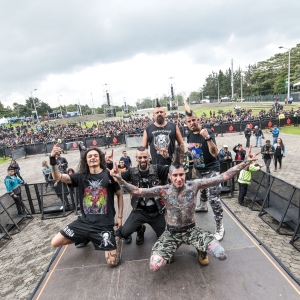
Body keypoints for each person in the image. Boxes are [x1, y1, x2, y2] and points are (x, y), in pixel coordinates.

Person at [108, 146, 259, 271]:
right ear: (169, 176)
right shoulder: (163, 190)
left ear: (185, 175)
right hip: (171, 232)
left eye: (181, 175)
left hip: (191, 230)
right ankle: (171, 250)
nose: (179, 178)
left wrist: (245, 162)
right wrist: (120, 179)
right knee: (154, 266)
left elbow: (223, 176)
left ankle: (201, 249)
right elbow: (137, 191)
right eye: (175, 175)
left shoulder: (194, 185)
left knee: (221, 255)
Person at [50, 145, 123, 267]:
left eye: (95, 155)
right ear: (86, 160)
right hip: (84, 222)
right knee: (54, 242)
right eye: (89, 156)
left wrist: (120, 217)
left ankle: (116, 238)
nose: (93, 158)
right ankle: (84, 236)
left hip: (104, 225)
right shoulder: (80, 177)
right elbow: (57, 177)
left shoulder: (109, 174)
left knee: (112, 262)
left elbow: (120, 195)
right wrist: (52, 158)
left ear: (100, 158)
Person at [110, 146, 168, 246]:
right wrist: (110, 167)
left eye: (145, 157)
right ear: (136, 158)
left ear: (149, 157)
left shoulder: (157, 169)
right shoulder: (132, 172)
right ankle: (140, 229)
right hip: (140, 211)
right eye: (140, 158)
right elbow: (114, 179)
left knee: (164, 238)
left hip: (156, 211)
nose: (143, 160)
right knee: (124, 232)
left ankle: (157, 229)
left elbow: (174, 170)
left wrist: (167, 158)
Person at [184, 103, 224, 241]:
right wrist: (193, 163)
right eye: (189, 121)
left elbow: (215, 153)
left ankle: (220, 226)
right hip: (199, 169)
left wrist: (207, 138)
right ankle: (202, 205)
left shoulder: (207, 132)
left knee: (214, 199)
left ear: (198, 120)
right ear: (186, 123)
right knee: (200, 190)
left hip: (212, 169)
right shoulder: (189, 134)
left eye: (194, 120)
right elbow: (193, 150)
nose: (192, 123)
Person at [142, 100, 184, 165]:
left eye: (161, 112)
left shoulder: (173, 126)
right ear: (153, 115)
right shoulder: (148, 129)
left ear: (165, 114)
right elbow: (144, 149)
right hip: (156, 166)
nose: (159, 114)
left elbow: (181, 144)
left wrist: (181, 157)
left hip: (172, 164)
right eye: (157, 112)